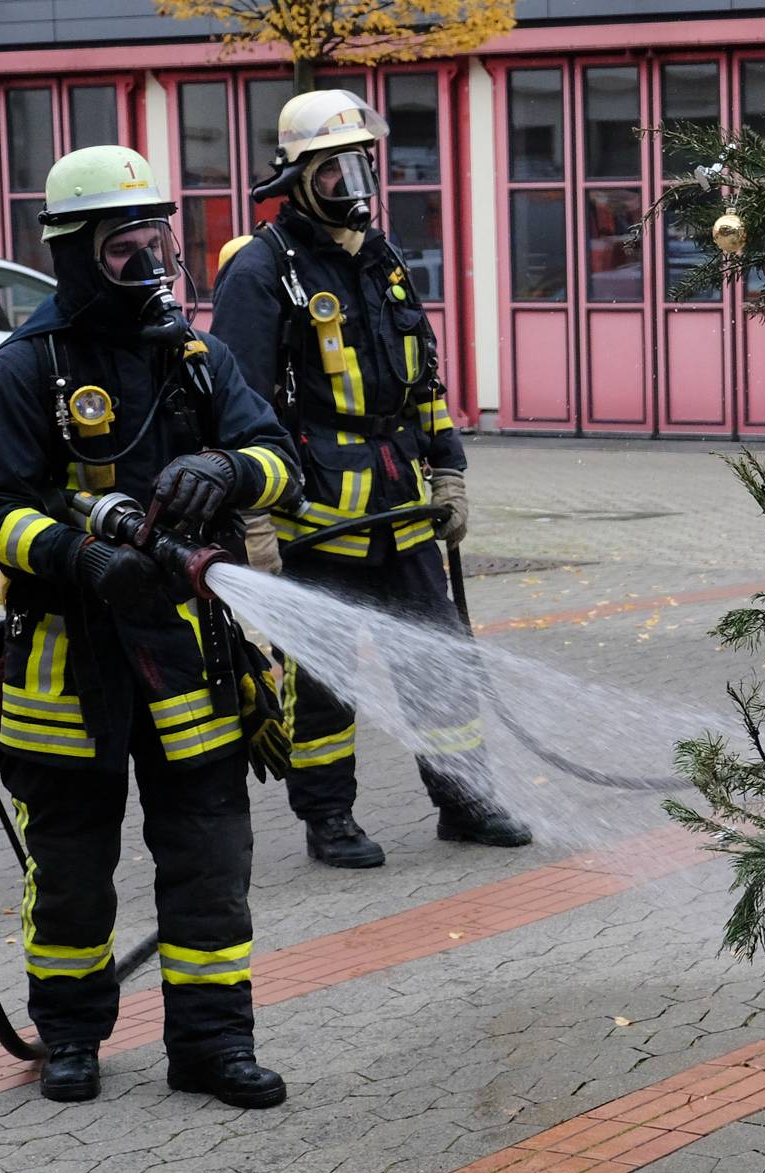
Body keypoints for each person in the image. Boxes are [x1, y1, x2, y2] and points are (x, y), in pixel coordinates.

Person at [0, 145, 299, 1107]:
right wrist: (79, 558)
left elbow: (280, 457)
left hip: (190, 654)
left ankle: (211, 1044)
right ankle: (71, 1038)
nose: (148, 264)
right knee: (71, 866)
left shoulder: (197, 358)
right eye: (123, 248)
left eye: (158, 242)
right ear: (74, 253)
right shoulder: (30, 367)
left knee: (209, 856)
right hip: (68, 664)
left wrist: (230, 472)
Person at [207, 89, 531, 870]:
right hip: (314, 510)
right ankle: (328, 821)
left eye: (359, 165)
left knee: (439, 658)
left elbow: (424, 379)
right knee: (322, 678)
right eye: (332, 172)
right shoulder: (261, 272)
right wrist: (253, 518)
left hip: (401, 501)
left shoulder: (379, 258)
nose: (350, 185)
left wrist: (449, 471)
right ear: (297, 180)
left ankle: (465, 801)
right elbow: (234, 398)